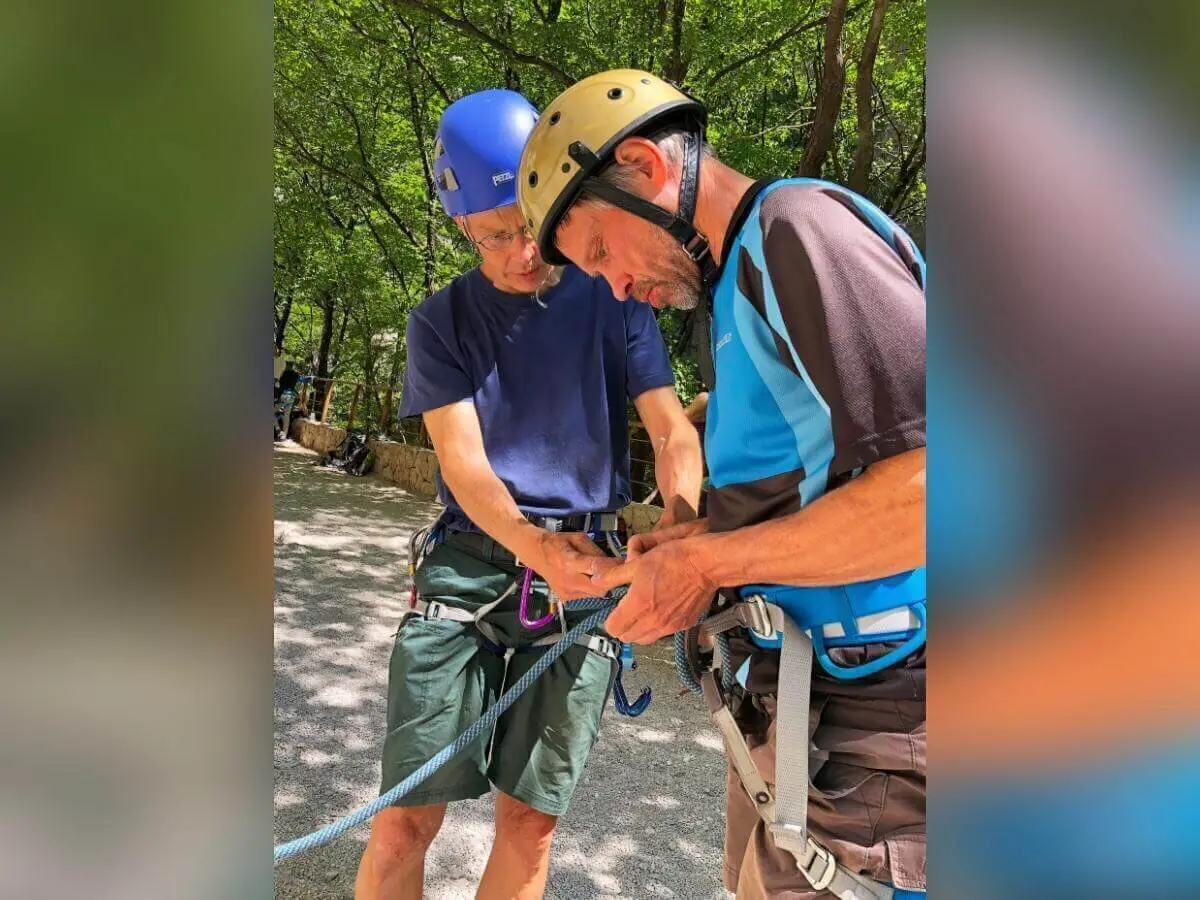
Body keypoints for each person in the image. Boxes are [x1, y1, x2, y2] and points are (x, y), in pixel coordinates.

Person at [518, 70, 926, 899]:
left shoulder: (794, 231)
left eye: (600, 251)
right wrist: (691, 544)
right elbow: (821, 491)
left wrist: (706, 568)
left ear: (645, 167)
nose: (617, 286)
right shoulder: (736, 286)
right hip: (802, 710)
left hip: (880, 724)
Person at [354, 88, 702, 900]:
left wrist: (680, 532)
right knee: (408, 817)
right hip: (473, 567)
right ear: (462, 229)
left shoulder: (613, 290)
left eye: (529, 222)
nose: (520, 251)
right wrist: (537, 549)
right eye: (494, 235)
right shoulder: (440, 323)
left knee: (530, 822)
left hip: (586, 573)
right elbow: (464, 466)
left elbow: (671, 429)